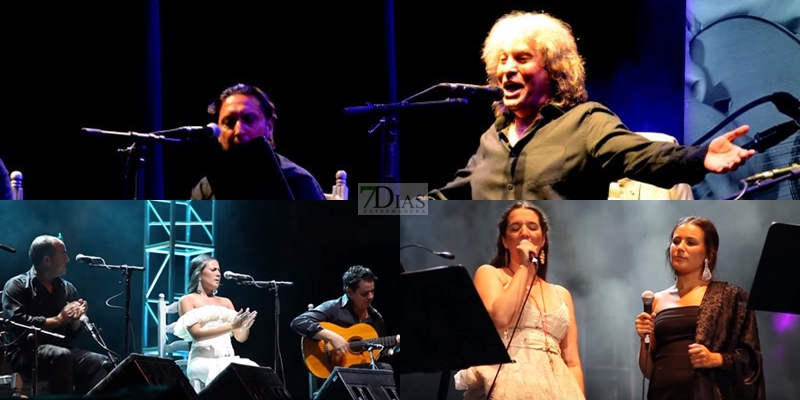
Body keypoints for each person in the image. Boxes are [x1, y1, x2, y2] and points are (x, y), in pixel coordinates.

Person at [427, 11, 756, 200]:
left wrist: (701, 156)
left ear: (553, 71)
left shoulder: (585, 122)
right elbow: (447, 197)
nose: (507, 69)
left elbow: (643, 156)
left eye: (522, 58)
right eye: (502, 60)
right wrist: (378, 200)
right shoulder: (492, 139)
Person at [454, 201, 584, 400]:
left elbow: (572, 361)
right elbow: (501, 318)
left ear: (542, 240)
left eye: (532, 227)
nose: (524, 233)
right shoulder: (491, 274)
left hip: (559, 388)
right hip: (510, 381)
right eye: (515, 228)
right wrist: (524, 267)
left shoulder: (561, 293)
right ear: (505, 241)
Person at [634, 216, 765, 399]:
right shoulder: (656, 300)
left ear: (708, 254)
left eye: (691, 242)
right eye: (676, 241)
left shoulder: (729, 297)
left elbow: (751, 359)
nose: (680, 248)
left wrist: (717, 359)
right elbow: (649, 371)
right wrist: (643, 338)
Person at [1, 235, 110, 394]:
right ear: (47, 260)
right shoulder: (16, 285)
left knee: (102, 362)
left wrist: (76, 319)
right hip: (25, 354)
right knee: (61, 356)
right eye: (63, 255)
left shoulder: (67, 288)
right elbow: (20, 324)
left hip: (63, 352)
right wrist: (60, 319)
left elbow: (73, 333)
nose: (67, 259)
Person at [190, 83, 326, 200]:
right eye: (229, 122)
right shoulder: (206, 187)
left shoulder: (298, 182)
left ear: (269, 127)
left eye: (249, 119)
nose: (239, 131)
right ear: (218, 132)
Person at [290, 266, 399, 381]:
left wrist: (393, 350)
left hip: (364, 376)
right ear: (349, 292)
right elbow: (299, 322)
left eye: (372, 291)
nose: (370, 296)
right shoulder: (333, 308)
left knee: (386, 370)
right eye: (365, 293)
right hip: (336, 375)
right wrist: (332, 337)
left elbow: (379, 354)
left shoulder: (376, 319)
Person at [173, 254, 259, 387]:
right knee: (226, 372)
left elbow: (240, 338)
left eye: (219, 270)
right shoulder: (188, 300)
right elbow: (197, 334)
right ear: (199, 274)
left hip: (228, 359)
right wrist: (231, 326)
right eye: (213, 270)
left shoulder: (226, 302)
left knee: (253, 370)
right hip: (202, 360)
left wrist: (243, 327)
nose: (218, 274)